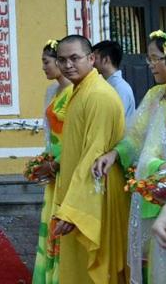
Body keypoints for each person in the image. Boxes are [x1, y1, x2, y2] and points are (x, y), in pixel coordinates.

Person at [92, 30, 166, 283]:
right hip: (152, 194)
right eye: (149, 57)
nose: (150, 63)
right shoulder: (154, 96)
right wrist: (114, 154)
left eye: (155, 57)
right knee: (154, 266)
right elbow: (136, 137)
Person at [52, 35, 128, 284]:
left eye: (75, 58)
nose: (68, 65)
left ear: (92, 59)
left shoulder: (98, 95)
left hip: (96, 194)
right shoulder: (80, 90)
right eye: (62, 60)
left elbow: (93, 155)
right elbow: (77, 145)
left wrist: (73, 211)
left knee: (93, 270)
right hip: (83, 193)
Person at [31, 39, 73, 283]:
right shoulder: (53, 91)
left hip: (66, 163)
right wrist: (46, 158)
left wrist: (57, 161)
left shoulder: (73, 92)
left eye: (46, 62)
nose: (43, 67)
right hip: (53, 161)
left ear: (59, 62)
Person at [92, 40, 135, 120]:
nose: (92, 62)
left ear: (106, 60)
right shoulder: (108, 84)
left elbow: (113, 120)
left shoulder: (120, 88)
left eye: (95, 58)